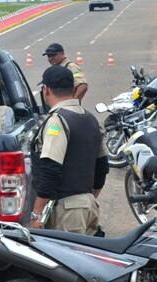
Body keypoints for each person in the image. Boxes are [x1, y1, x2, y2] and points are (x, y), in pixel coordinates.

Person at [30, 65, 109, 234]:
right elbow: (102, 166)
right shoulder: (91, 119)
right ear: (73, 89)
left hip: (66, 211)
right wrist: (86, 199)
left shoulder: (57, 121)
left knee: (65, 259)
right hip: (89, 206)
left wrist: (36, 214)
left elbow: (51, 168)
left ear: (46, 90)